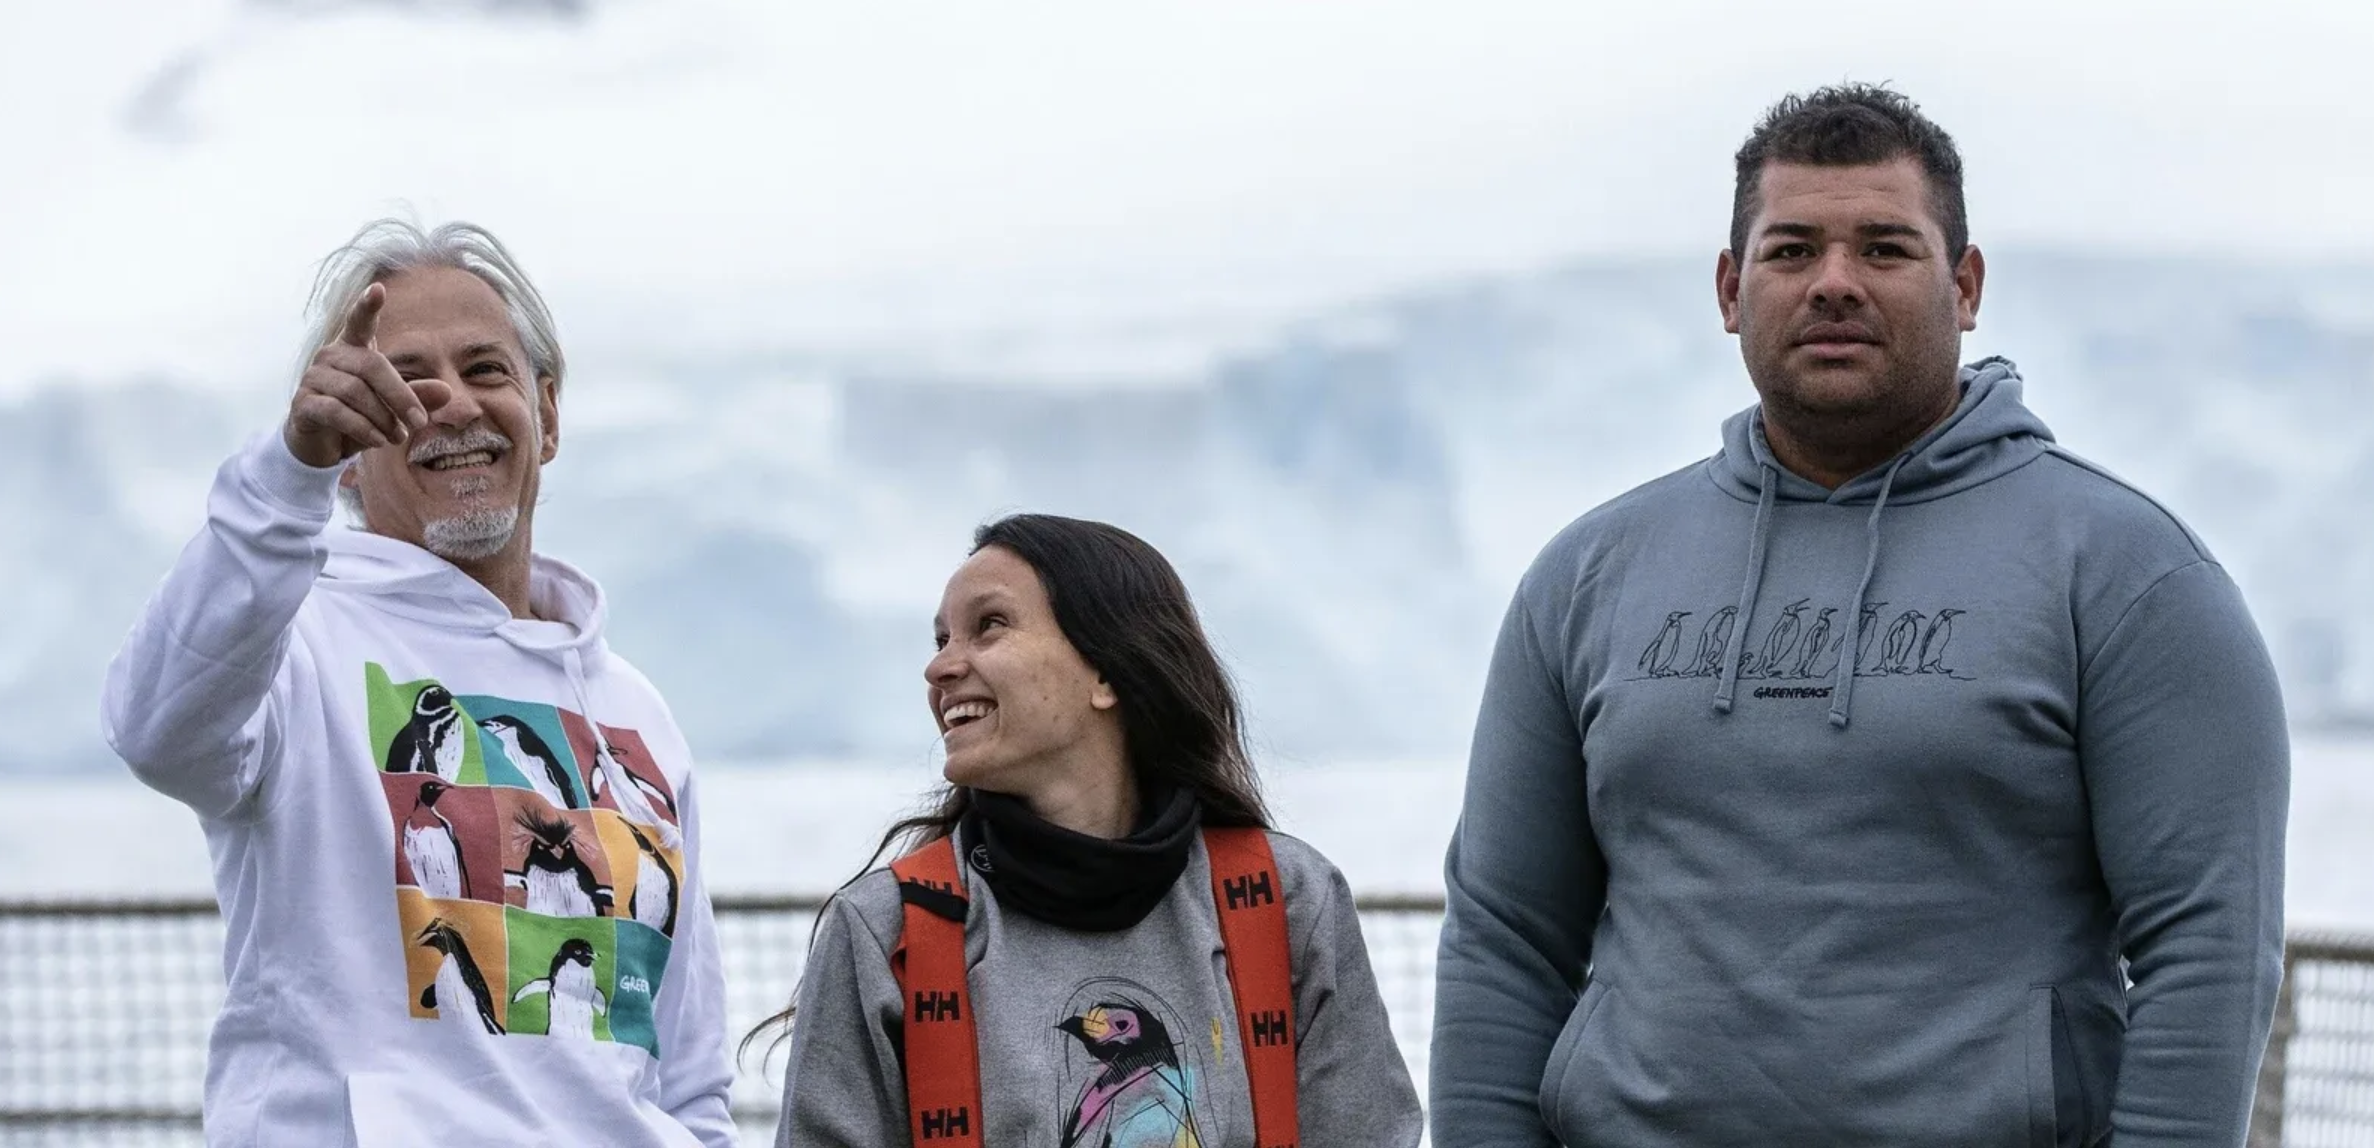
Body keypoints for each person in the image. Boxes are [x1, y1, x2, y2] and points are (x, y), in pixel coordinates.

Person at [1430, 84, 2289, 1147]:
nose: (1834, 282)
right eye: (1792, 251)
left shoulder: (2129, 574)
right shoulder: (1589, 576)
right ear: (1731, 289)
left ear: (1964, 287)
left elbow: (2207, 946)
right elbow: (1504, 935)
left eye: (1885, 248)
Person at [101, 219, 734, 1146]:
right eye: (402, 385)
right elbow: (156, 729)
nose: (452, 405)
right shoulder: (289, 647)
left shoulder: (636, 714)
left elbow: (692, 1074)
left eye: (485, 370)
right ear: (347, 451)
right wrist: (285, 477)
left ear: (548, 415)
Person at [769, 513, 1422, 1147]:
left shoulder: (1287, 901)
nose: (939, 669)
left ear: (1107, 673)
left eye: (989, 626)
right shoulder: (887, 931)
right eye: (941, 640)